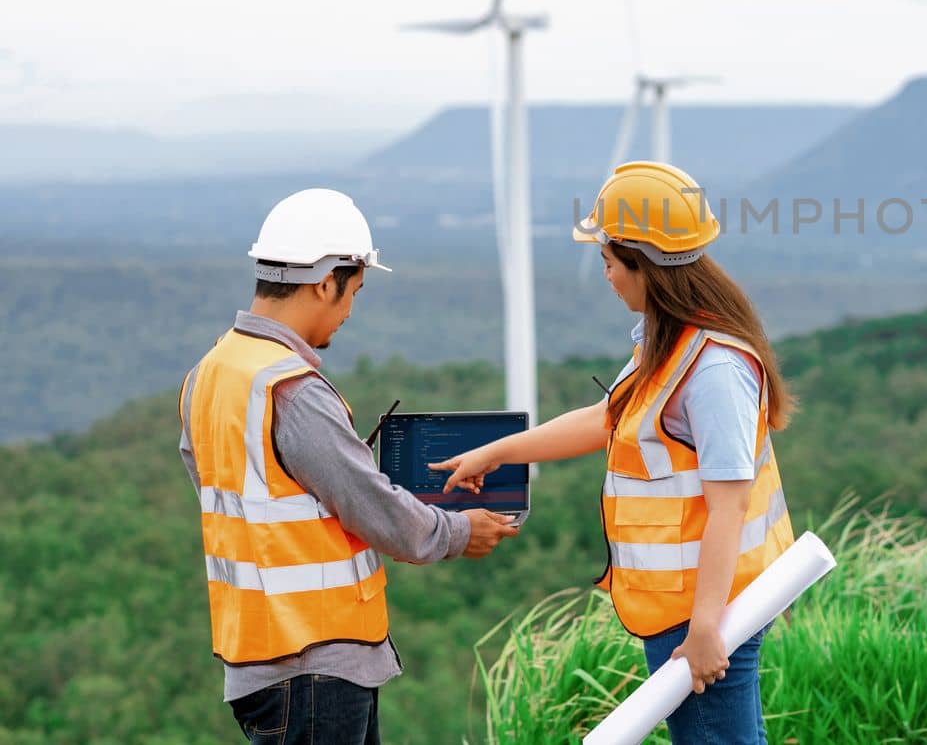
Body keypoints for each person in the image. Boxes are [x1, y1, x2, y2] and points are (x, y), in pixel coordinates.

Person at [432, 161, 795, 744]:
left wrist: (705, 628)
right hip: (685, 605)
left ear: (644, 266)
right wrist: (496, 451)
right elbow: (606, 419)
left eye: (608, 260)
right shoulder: (671, 341)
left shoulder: (714, 368)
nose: (604, 275)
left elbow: (729, 504)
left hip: (704, 610)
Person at [178, 188, 519, 745]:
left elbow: (262, 501)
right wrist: (459, 530)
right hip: (314, 664)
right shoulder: (291, 389)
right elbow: (367, 505)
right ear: (323, 281)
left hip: (257, 659)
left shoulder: (210, 373)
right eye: (353, 291)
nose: (350, 311)